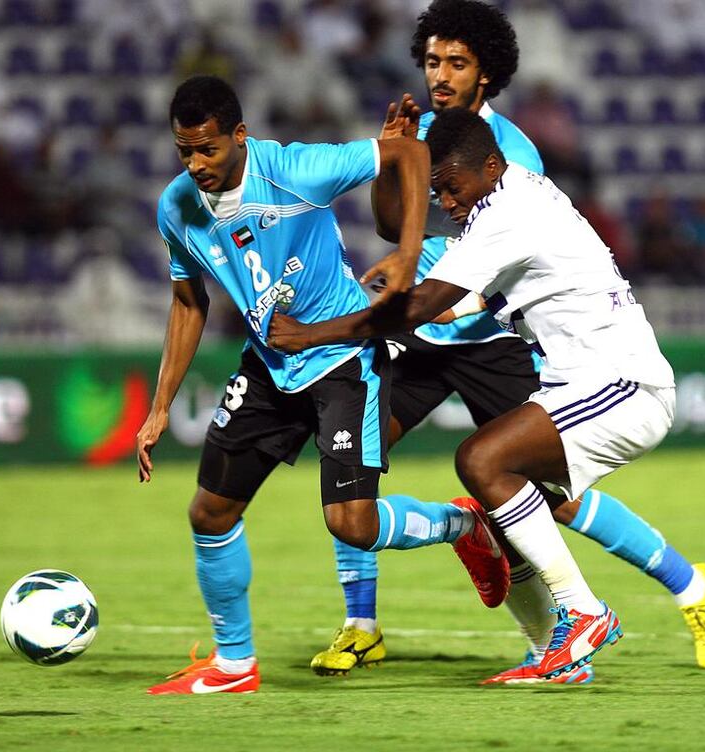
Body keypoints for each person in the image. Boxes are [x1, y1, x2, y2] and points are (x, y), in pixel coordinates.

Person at [313, 0, 705, 683]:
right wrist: (394, 164)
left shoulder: (507, 157)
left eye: (457, 62)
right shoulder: (427, 137)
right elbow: (397, 228)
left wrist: (359, 316)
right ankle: (366, 623)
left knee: (533, 488)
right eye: (432, 60)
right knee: (359, 457)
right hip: (440, 322)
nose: (440, 74)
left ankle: (677, 589)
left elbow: (492, 255)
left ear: (488, 72)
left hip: (491, 339)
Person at [137, 75, 512, 695]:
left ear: (240, 136)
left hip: (343, 360)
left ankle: (464, 527)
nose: (197, 164)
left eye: (208, 149)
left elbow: (410, 152)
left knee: (352, 525)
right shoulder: (175, 206)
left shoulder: (297, 170)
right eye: (185, 151)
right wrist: (158, 409)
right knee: (209, 511)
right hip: (269, 362)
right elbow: (186, 304)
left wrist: (406, 253)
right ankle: (234, 665)